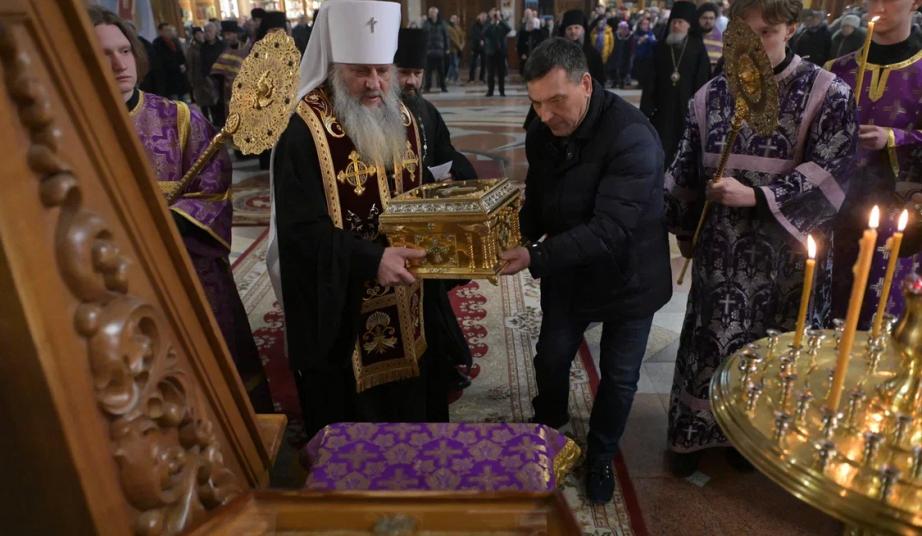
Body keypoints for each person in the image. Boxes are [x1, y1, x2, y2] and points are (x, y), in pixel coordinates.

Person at [665, 0, 857, 476]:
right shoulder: (711, 95)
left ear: (791, 28)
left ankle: (755, 442)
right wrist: (682, 224)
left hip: (789, 258)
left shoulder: (827, 93)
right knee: (710, 342)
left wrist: (756, 196)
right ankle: (696, 434)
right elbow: (684, 169)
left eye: (766, 34)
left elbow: (831, 172)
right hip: (720, 257)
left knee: (770, 353)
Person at [500, 37, 672, 504]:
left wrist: (535, 257)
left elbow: (610, 229)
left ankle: (600, 454)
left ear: (586, 84)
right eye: (536, 103)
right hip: (571, 271)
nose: (546, 115)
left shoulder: (632, 137)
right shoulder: (542, 129)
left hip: (628, 275)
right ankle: (549, 428)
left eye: (557, 100)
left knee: (619, 377)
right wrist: (514, 234)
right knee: (551, 357)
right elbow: (539, 197)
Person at [269, 0, 443, 439]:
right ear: (334, 64)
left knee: (409, 418)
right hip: (341, 313)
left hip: (407, 299)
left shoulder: (405, 117)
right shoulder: (302, 131)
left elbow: (418, 195)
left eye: (383, 70)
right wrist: (371, 260)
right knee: (354, 432)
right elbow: (298, 233)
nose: (375, 84)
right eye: (360, 71)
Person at [88, 6, 273, 413]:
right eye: (103, 54)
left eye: (123, 50)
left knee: (215, 357)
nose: (119, 63)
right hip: (115, 278)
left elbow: (215, 190)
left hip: (189, 265)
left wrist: (161, 220)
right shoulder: (73, 129)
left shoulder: (179, 118)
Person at [393, 28, 478, 402]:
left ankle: (440, 363)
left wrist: (461, 172)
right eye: (404, 72)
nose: (411, 81)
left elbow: (444, 150)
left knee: (431, 294)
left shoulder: (426, 108)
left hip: (428, 217)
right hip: (395, 223)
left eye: (418, 73)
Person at [829, 0, 922, 326]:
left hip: (899, 224)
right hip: (834, 219)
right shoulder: (835, 70)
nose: (878, 4)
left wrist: (895, 137)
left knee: (882, 327)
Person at [640, 0, 711, 167]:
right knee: (660, 146)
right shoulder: (660, 47)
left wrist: (698, 107)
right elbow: (650, 78)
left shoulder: (697, 48)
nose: (676, 26)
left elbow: (702, 80)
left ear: (689, 26)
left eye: (680, 22)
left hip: (686, 108)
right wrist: (647, 107)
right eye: (674, 22)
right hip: (662, 108)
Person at [210, 20, 248, 128]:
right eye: (225, 34)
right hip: (227, 92)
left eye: (229, 34)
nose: (226, 37)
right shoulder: (222, 48)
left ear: (235, 34)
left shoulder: (245, 48)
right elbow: (217, 72)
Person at [560, 9, 606, 84]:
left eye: (576, 27)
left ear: (583, 30)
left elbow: (599, 80)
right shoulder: (558, 52)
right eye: (569, 28)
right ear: (565, 32)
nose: (573, 31)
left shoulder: (594, 54)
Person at [152, 22, 188, 100]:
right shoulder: (157, 45)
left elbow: (181, 56)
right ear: (161, 32)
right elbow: (161, 64)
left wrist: (183, 65)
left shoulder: (175, 41)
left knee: (184, 105)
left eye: (170, 30)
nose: (169, 32)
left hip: (180, 79)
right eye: (166, 30)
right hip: (169, 82)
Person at [483, 8, 511, 97]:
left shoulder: (502, 24)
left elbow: (508, 29)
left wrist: (500, 19)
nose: (495, 16)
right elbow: (484, 32)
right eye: (494, 14)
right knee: (490, 73)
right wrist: (491, 22)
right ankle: (490, 91)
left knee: (501, 73)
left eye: (497, 14)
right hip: (490, 52)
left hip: (501, 52)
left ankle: (502, 91)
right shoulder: (488, 23)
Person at [423, 6, 449, 93]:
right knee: (428, 72)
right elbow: (423, 36)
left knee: (441, 71)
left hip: (439, 50)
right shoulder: (426, 24)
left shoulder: (442, 23)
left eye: (433, 12)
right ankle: (427, 87)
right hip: (429, 51)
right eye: (430, 13)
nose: (432, 14)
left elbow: (446, 36)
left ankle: (443, 87)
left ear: (437, 13)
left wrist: (447, 48)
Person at [698, 3, 724, 69]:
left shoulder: (721, 39)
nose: (708, 21)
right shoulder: (693, 37)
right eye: (705, 18)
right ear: (699, 19)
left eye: (711, 18)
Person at [610, 21, 635, 88]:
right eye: (621, 28)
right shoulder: (615, 35)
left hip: (626, 55)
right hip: (616, 54)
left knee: (624, 69)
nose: (623, 30)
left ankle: (622, 82)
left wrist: (631, 54)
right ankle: (615, 82)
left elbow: (632, 47)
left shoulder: (630, 36)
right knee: (614, 68)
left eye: (624, 28)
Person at [632, 17, 657, 84]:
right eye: (644, 24)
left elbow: (654, 43)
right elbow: (634, 43)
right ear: (640, 25)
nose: (645, 26)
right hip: (638, 56)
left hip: (647, 57)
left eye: (647, 24)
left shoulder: (650, 33)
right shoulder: (636, 33)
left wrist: (648, 38)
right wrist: (639, 41)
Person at [468, 12, 488, 83]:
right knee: (473, 63)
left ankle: (482, 78)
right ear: (479, 17)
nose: (483, 18)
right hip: (475, 46)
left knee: (484, 63)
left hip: (484, 46)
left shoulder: (487, 24)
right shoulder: (474, 25)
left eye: (485, 17)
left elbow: (487, 34)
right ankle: (471, 78)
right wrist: (479, 40)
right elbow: (473, 34)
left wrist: (483, 40)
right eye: (482, 17)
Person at [446, 14, 466, 83]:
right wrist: (459, 46)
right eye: (453, 18)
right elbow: (453, 39)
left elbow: (462, 36)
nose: (455, 20)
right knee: (455, 64)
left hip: (458, 49)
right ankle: (456, 78)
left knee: (453, 64)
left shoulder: (457, 27)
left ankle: (449, 78)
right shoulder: (449, 28)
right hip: (453, 49)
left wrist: (462, 44)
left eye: (456, 18)